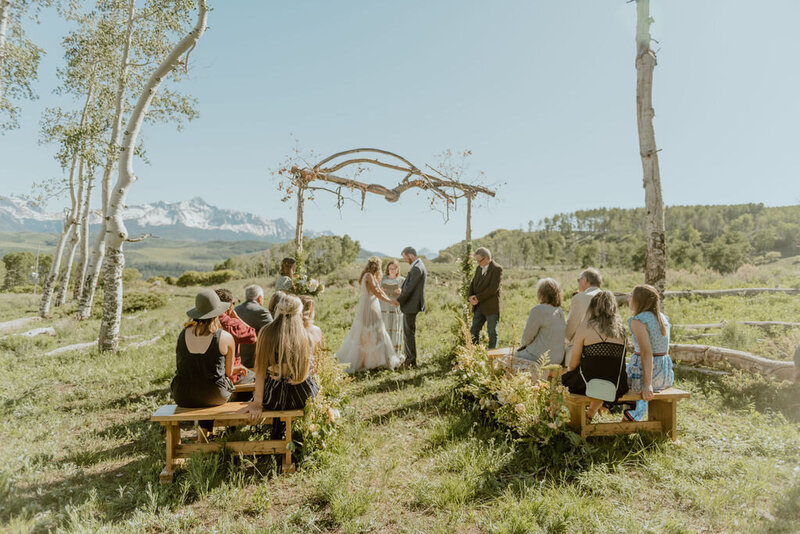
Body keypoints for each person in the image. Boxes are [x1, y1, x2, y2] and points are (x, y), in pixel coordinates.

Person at [246, 295, 319, 445]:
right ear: (299, 313)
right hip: (301, 397)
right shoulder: (304, 336)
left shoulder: (265, 332)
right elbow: (302, 376)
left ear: (278, 310)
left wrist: (258, 403)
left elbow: (260, 372)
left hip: (273, 397)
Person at [170, 289, 244, 436]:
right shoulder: (225, 337)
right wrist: (236, 369)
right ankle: (232, 430)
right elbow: (228, 373)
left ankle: (204, 434)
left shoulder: (183, 334)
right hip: (214, 395)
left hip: (183, 394)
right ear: (217, 313)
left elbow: (185, 365)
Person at [561, 290, 629, 421]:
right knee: (602, 377)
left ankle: (570, 420)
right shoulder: (621, 330)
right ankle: (591, 412)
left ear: (592, 307)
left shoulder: (585, 327)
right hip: (616, 384)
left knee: (563, 381)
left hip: (587, 384)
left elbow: (573, 363)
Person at [336, 256, 404, 373]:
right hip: (370, 306)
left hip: (369, 304)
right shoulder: (369, 276)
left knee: (370, 330)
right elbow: (376, 292)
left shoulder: (367, 275)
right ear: (377, 267)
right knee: (373, 330)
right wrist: (390, 301)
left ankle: (371, 358)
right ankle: (372, 360)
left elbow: (379, 289)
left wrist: (389, 299)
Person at [624, 284, 674, 421]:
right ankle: (628, 418)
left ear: (639, 300)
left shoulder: (638, 321)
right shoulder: (662, 318)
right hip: (664, 377)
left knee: (614, 378)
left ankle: (628, 418)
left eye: (631, 296)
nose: (629, 298)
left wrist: (647, 384)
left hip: (645, 377)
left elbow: (646, 353)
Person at [516, 278, 567, 370]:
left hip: (539, 357)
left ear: (541, 293)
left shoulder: (538, 310)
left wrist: (523, 346)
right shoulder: (560, 311)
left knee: (507, 358)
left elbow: (527, 338)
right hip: (558, 358)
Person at [214, 289, 257, 385]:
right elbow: (253, 337)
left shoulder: (205, 320)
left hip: (211, 372)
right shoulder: (231, 324)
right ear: (228, 306)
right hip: (231, 374)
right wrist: (236, 317)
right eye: (233, 303)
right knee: (256, 378)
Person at [564, 268, 603, 368]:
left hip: (581, 349)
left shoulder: (580, 297)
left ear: (585, 280)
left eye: (579, 280)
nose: (578, 282)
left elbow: (571, 327)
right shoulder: (606, 297)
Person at [397, 246, 427, 367]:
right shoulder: (418, 266)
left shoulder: (417, 268)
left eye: (405, 257)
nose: (405, 260)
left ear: (410, 255)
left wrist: (399, 300)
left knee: (409, 333)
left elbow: (410, 288)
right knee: (408, 332)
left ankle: (411, 361)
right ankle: (409, 358)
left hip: (411, 305)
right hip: (411, 304)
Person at [468, 247, 503, 349]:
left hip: (491, 307)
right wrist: (470, 297)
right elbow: (473, 283)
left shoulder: (497, 269)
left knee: (492, 331)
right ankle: (475, 353)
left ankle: (492, 355)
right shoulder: (479, 268)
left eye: (480, 260)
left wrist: (477, 297)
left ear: (487, 258)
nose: (478, 263)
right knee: (474, 330)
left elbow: (493, 289)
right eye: (477, 261)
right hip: (479, 306)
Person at [235, 284, 274, 369]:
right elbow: (273, 334)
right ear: (260, 298)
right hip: (256, 362)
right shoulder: (262, 311)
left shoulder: (236, 310)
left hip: (238, 360)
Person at [380, 258, 405, 354]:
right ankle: (383, 353)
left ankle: (395, 353)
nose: (392, 270)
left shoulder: (402, 280)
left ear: (398, 269)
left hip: (396, 309)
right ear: (387, 269)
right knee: (384, 328)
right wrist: (381, 290)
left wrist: (401, 292)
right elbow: (376, 292)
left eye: (394, 268)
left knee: (395, 328)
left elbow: (407, 294)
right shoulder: (382, 279)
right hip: (384, 308)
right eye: (391, 268)